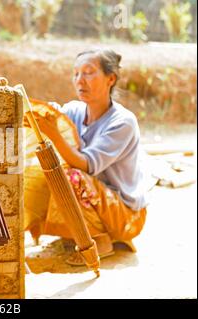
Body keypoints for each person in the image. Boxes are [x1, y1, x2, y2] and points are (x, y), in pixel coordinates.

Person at [24, 49, 149, 265]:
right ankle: (77, 232)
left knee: (68, 175)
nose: (80, 80)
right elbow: (56, 116)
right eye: (76, 73)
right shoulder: (74, 110)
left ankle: (100, 241)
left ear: (111, 79)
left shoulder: (122, 121)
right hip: (97, 200)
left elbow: (87, 165)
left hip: (126, 214)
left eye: (89, 73)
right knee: (39, 168)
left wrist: (53, 132)